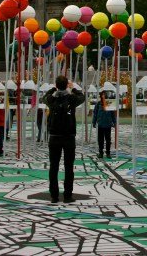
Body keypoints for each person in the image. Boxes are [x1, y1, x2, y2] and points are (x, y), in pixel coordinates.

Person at [44, 75, 85, 203]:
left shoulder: (51, 99)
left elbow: (44, 97)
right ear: (66, 85)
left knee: (53, 167)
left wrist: (52, 89)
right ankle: (68, 195)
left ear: (57, 85)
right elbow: (82, 97)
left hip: (54, 136)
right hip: (68, 137)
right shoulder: (71, 98)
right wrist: (73, 88)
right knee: (69, 167)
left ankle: (54, 195)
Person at [92, 94, 117, 158]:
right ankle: (101, 152)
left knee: (108, 140)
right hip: (100, 124)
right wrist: (94, 122)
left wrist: (114, 122)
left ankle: (108, 153)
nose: (103, 97)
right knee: (100, 140)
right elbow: (95, 114)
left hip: (108, 125)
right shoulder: (98, 104)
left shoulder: (110, 103)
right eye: (102, 96)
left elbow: (113, 114)